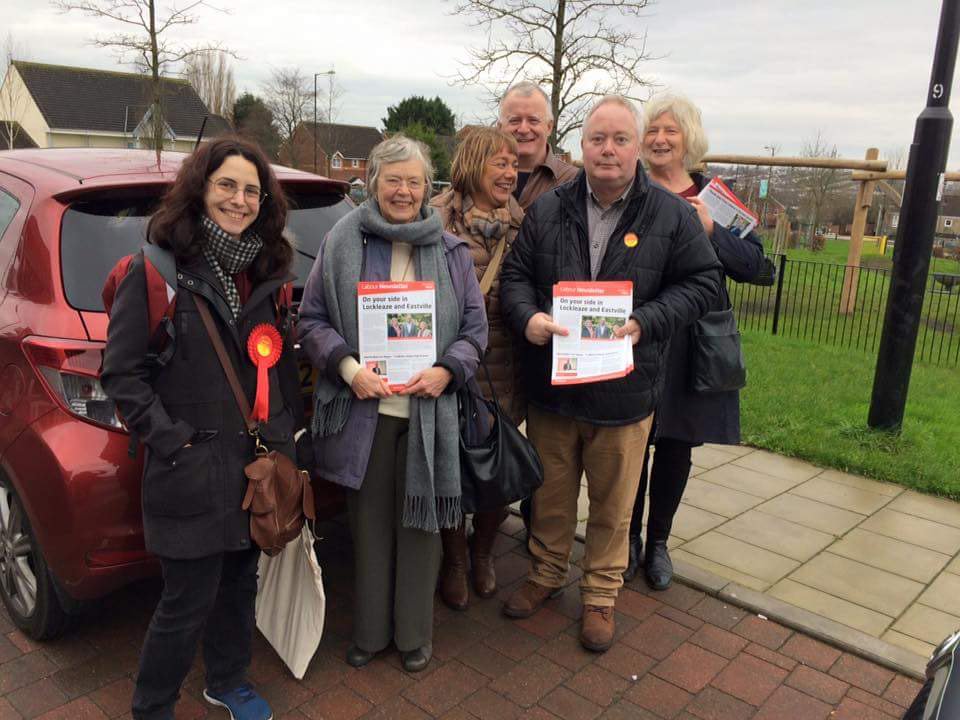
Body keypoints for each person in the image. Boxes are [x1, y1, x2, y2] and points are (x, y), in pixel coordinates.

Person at [499, 95, 721, 653]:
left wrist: (647, 321)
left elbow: (702, 283)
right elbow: (517, 277)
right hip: (556, 388)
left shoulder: (670, 216)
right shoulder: (549, 209)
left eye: (621, 139)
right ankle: (546, 575)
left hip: (626, 392)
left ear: (636, 146)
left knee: (613, 505)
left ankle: (600, 594)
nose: (608, 149)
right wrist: (527, 319)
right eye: (598, 138)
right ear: (581, 144)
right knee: (549, 496)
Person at [101, 136, 302, 720]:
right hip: (187, 470)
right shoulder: (156, 269)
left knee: (240, 587)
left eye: (251, 191)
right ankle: (152, 705)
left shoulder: (266, 270)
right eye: (227, 186)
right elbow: (123, 374)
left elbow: (277, 370)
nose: (239, 201)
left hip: (251, 470)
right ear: (201, 189)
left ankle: (228, 681)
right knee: (185, 601)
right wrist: (173, 442)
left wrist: (284, 444)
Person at [298, 135, 487, 673]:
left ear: (429, 187)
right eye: (393, 180)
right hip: (367, 413)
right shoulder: (342, 241)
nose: (403, 191)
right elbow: (311, 321)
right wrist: (350, 370)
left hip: (429, 414)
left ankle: (413, 636)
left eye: (414, 181)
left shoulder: (451, 252)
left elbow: (476, 330)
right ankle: (371, 632)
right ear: (374, 182)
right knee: (371, 528)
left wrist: (448, 369)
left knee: (422, 529)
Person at [623, 94, 768, 591]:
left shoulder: (715, 197)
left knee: (677, 442)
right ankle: (627, 540)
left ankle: (659, 542)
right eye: (653, 130)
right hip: (641, 330)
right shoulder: (632, 189)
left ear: (689, 138)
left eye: (671, 131)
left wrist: (712, 230)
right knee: (632, 441)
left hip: (694, 340)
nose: (660, 139)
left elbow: (758, 267)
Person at [429, 126, 524, 611]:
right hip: (450, 365)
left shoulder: (524, 223)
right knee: (451, 466)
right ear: (472, 163)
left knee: (496, 467)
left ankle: (483, 552)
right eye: (499, 164)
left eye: (513, 165)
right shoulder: (436, 219)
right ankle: (454, 561)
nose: (510, 173)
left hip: (506, 367)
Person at [497, 81, 578, 210]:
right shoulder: (477, 178)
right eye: (514, 120)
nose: (523, 129)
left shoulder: (573, 182)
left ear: (549, 127)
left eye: (533, 120)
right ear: (500, 127)